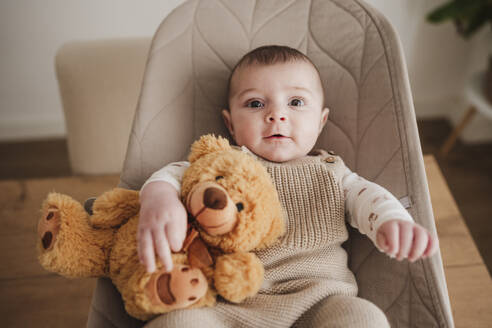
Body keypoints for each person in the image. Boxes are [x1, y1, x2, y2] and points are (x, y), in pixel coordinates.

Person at [136, 45, 438, 327]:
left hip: (321, 301)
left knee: (365, 317)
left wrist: (392, 220)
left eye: (296, 102)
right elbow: (176, 174)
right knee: (177, 323)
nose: (276, 115)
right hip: (227, 305)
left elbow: (369, 199)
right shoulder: (222, 164)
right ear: (230, 124)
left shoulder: (332, 172)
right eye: (255, 104)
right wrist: (160, 197)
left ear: (321, 122)